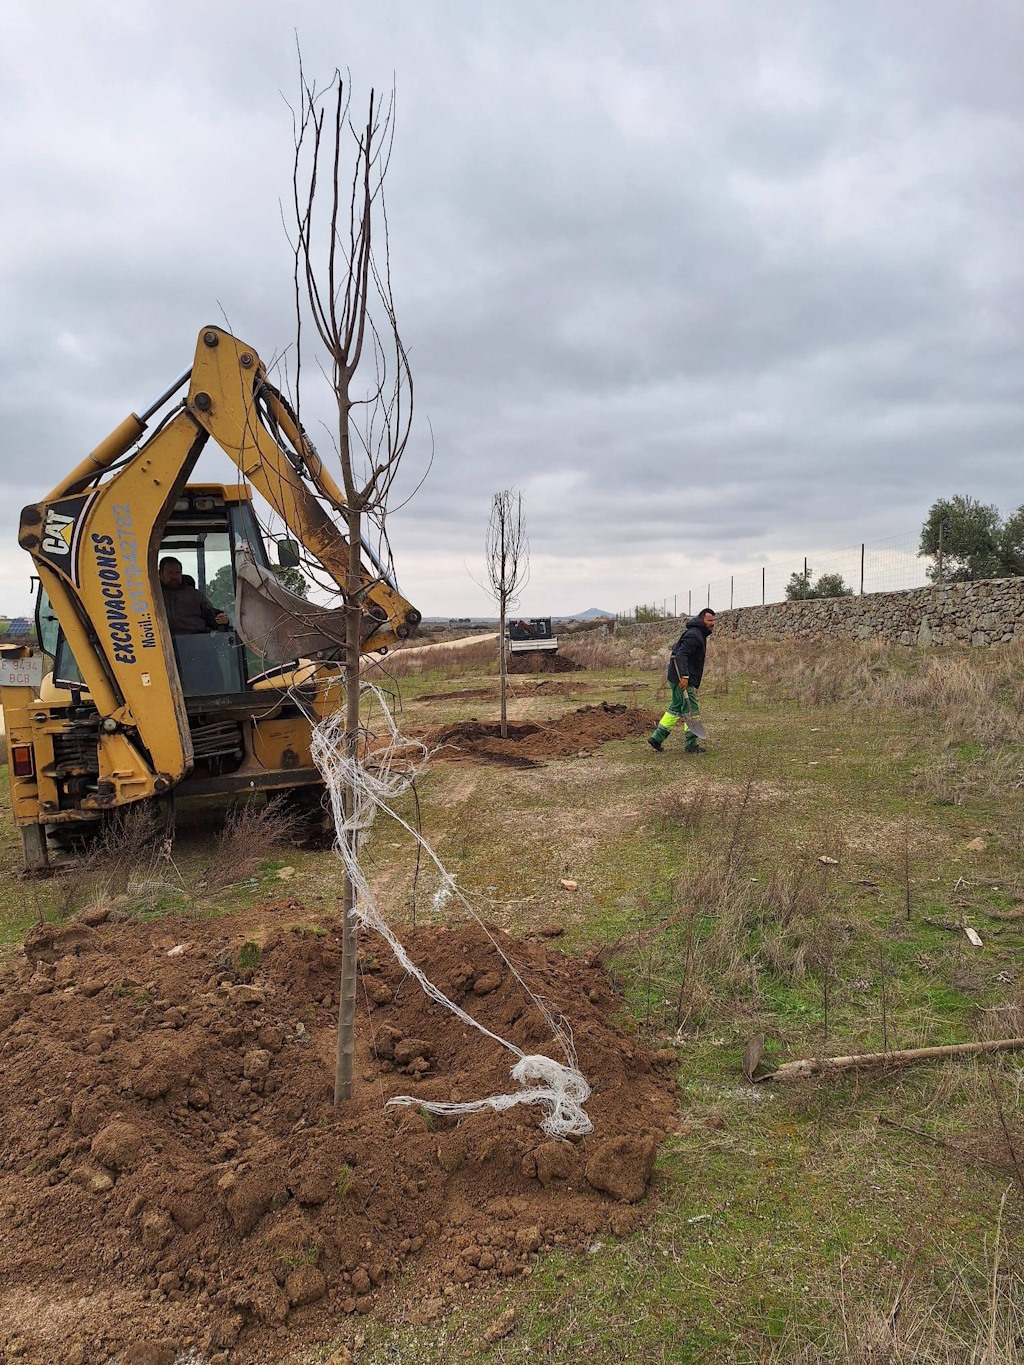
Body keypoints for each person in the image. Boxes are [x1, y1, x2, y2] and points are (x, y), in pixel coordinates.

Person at [648, 607, 715, 753]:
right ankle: (691, 744)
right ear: (702, 619)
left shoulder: (697, 633)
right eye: (709, 620)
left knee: (676, 707)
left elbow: (678, 650)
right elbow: (680, 655)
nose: (712, 623)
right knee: (691, 709)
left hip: (677, 677)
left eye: (713, 620)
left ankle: (656, 738)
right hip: (681, 679)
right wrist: (684, 677)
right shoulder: (694, 635)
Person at [158, 557, 229, 634]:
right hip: (160, 638)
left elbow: (211, 615)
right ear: (160, 574)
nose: (174, 576)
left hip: (196, 638)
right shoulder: (153, 596)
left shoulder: (195, 595)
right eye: (170, 573)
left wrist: (222, 619)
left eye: (177, 573)